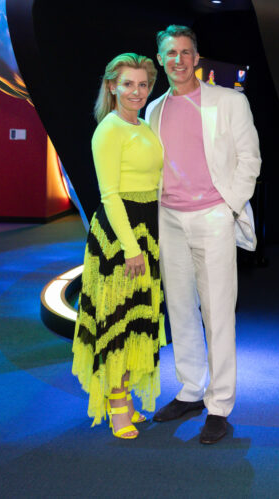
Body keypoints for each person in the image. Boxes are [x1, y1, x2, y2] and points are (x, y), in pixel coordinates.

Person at [147, 25, 261, 444]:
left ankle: (220, 404)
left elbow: (250, 158)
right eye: (170, 53)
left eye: (185, 52)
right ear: (160, 59)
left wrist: (229, 206)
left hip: (213, 216)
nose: (178, 59)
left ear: (197, 58)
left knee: (217, 313)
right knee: (179, 308)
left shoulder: (229, 101)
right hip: (170, 219)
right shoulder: (154, 110)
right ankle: (191, 390)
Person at [71, 53, 165, 440]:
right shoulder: (108, 130)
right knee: (117, 321)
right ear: (112, 86)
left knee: (138, 320)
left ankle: (124, 394)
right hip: (118, 236)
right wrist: (130, 248)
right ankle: (116, 402)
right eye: (128, 84)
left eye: (143, 84)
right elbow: (109, 195)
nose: (136, 91)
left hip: (147, 232)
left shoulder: (144, 127)